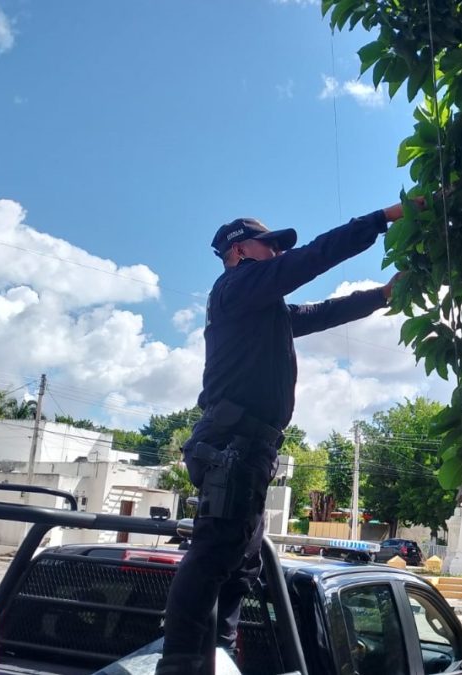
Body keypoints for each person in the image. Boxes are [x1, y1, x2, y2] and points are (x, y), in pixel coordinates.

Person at [156, 201, 417, 674]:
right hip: (231, 444)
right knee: (216, 552)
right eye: (269, 245)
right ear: (239, 251)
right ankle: (178, 665)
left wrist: (380, 296)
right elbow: (313, 257)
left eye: (279, 247)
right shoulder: (237, 286)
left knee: (242, 562)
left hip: (248, 449)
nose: (277, 252)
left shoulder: (261, 309)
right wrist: (386, 217)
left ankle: (218, 654)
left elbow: (318, 312)